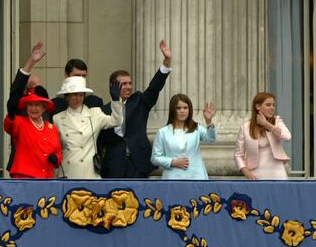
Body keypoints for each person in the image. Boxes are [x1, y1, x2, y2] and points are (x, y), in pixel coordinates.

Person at [99, 40, 173, 178]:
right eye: (124, 84)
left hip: (138, 163)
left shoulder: (139, 101)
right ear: (112, 86)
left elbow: (154, 87)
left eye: (130, 83)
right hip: (114, 165)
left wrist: (166, 62)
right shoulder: (102, 110)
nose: (128, 87)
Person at [4, 43, 62, 179]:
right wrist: (30, 63)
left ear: (44, 108)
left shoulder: (51, 128)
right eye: (30, 105)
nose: (34, 108)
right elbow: (13, 98)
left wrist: (56, 158)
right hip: (24, 178)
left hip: (46, 179)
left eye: (37, 105)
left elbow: (58, 152)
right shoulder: (18, 122)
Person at [52, 76, 123, 179]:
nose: (78, 98)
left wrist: (116, 101)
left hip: (90, 172)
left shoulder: (94, 114)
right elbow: (56, 147)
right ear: (66, 97)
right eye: (74, 95)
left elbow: (116, 121)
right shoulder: (57, 118)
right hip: (68, 171)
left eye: (81, 95)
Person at [151, 94, 217, 179]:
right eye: (178, 108)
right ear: (173, 110)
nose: (182, 111)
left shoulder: (196, 128)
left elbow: (211, 139)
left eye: (185, 108)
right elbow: (155, 158)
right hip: (173, 179)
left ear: (189, 110)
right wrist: (173, 162)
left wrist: (209, 121)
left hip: (196, 177)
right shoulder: (163, 132)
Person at [234, 92, 291, 180]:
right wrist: (246, 172)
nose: (272, 108)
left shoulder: (277, 121)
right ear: (258, 107)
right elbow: (238, 154)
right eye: (268, 105)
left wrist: (266, 124)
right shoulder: (245, 127)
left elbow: (287, 137)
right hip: (255, 173)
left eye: (273, 105)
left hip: (277, 172)